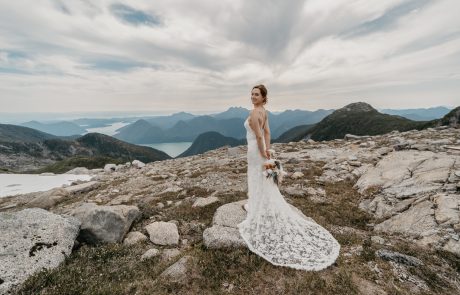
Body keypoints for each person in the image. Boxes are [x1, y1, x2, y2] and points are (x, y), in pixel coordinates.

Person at [237, 84, 340, 271]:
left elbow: (260, 137)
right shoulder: (264, 112)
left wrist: (262, 151)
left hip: (254, 151)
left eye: (256, 94)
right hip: (261, 151)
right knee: (262, 179)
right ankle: (259, 204)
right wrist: (268, 152)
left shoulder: (254, 114)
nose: (252, 97)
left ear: (263, 97)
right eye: (251, 94)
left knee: (256, 178)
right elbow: (268, 133)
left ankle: (257, 206)